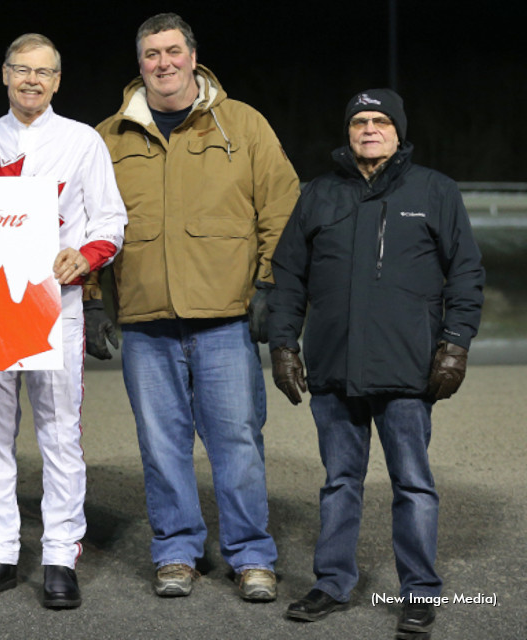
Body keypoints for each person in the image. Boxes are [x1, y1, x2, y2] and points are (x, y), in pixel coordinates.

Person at [90, 12, 299, 601]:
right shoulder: (107, 138)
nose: (164, 62)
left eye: (173, 50)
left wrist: (271, 287)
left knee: (237, 440)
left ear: (192, 55)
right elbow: (84, 224)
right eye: (152, 53)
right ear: (140, 64)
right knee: (161, 446)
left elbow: (280, 209)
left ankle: (251, 554)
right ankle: (177, 551)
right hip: (145, 321)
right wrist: (91, 302)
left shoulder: (242, 124)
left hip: (225, 317)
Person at [268, 88, 485, 636]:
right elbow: (288, 276)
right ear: (348, 131)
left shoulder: (434, 190)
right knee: (340, 480)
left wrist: (454, 346)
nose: (369, 129)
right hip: (335, 366)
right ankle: (332, 582)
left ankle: (417, 591)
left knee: (412, 483)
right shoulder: (318, 195)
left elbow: (465, 274)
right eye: (360, 121)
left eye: (380, 121)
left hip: (408, 369)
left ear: (397, 131)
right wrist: (283, 344)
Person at [0, 33, 126, 609]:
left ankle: (58, 556)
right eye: (22, 70)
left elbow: (110, 221)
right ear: (4, 74)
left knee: (59, 435)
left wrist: (88, 257)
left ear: (57, 81)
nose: (32, 80)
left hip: (57, 308)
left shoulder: (82, 142)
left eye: (43, 72)